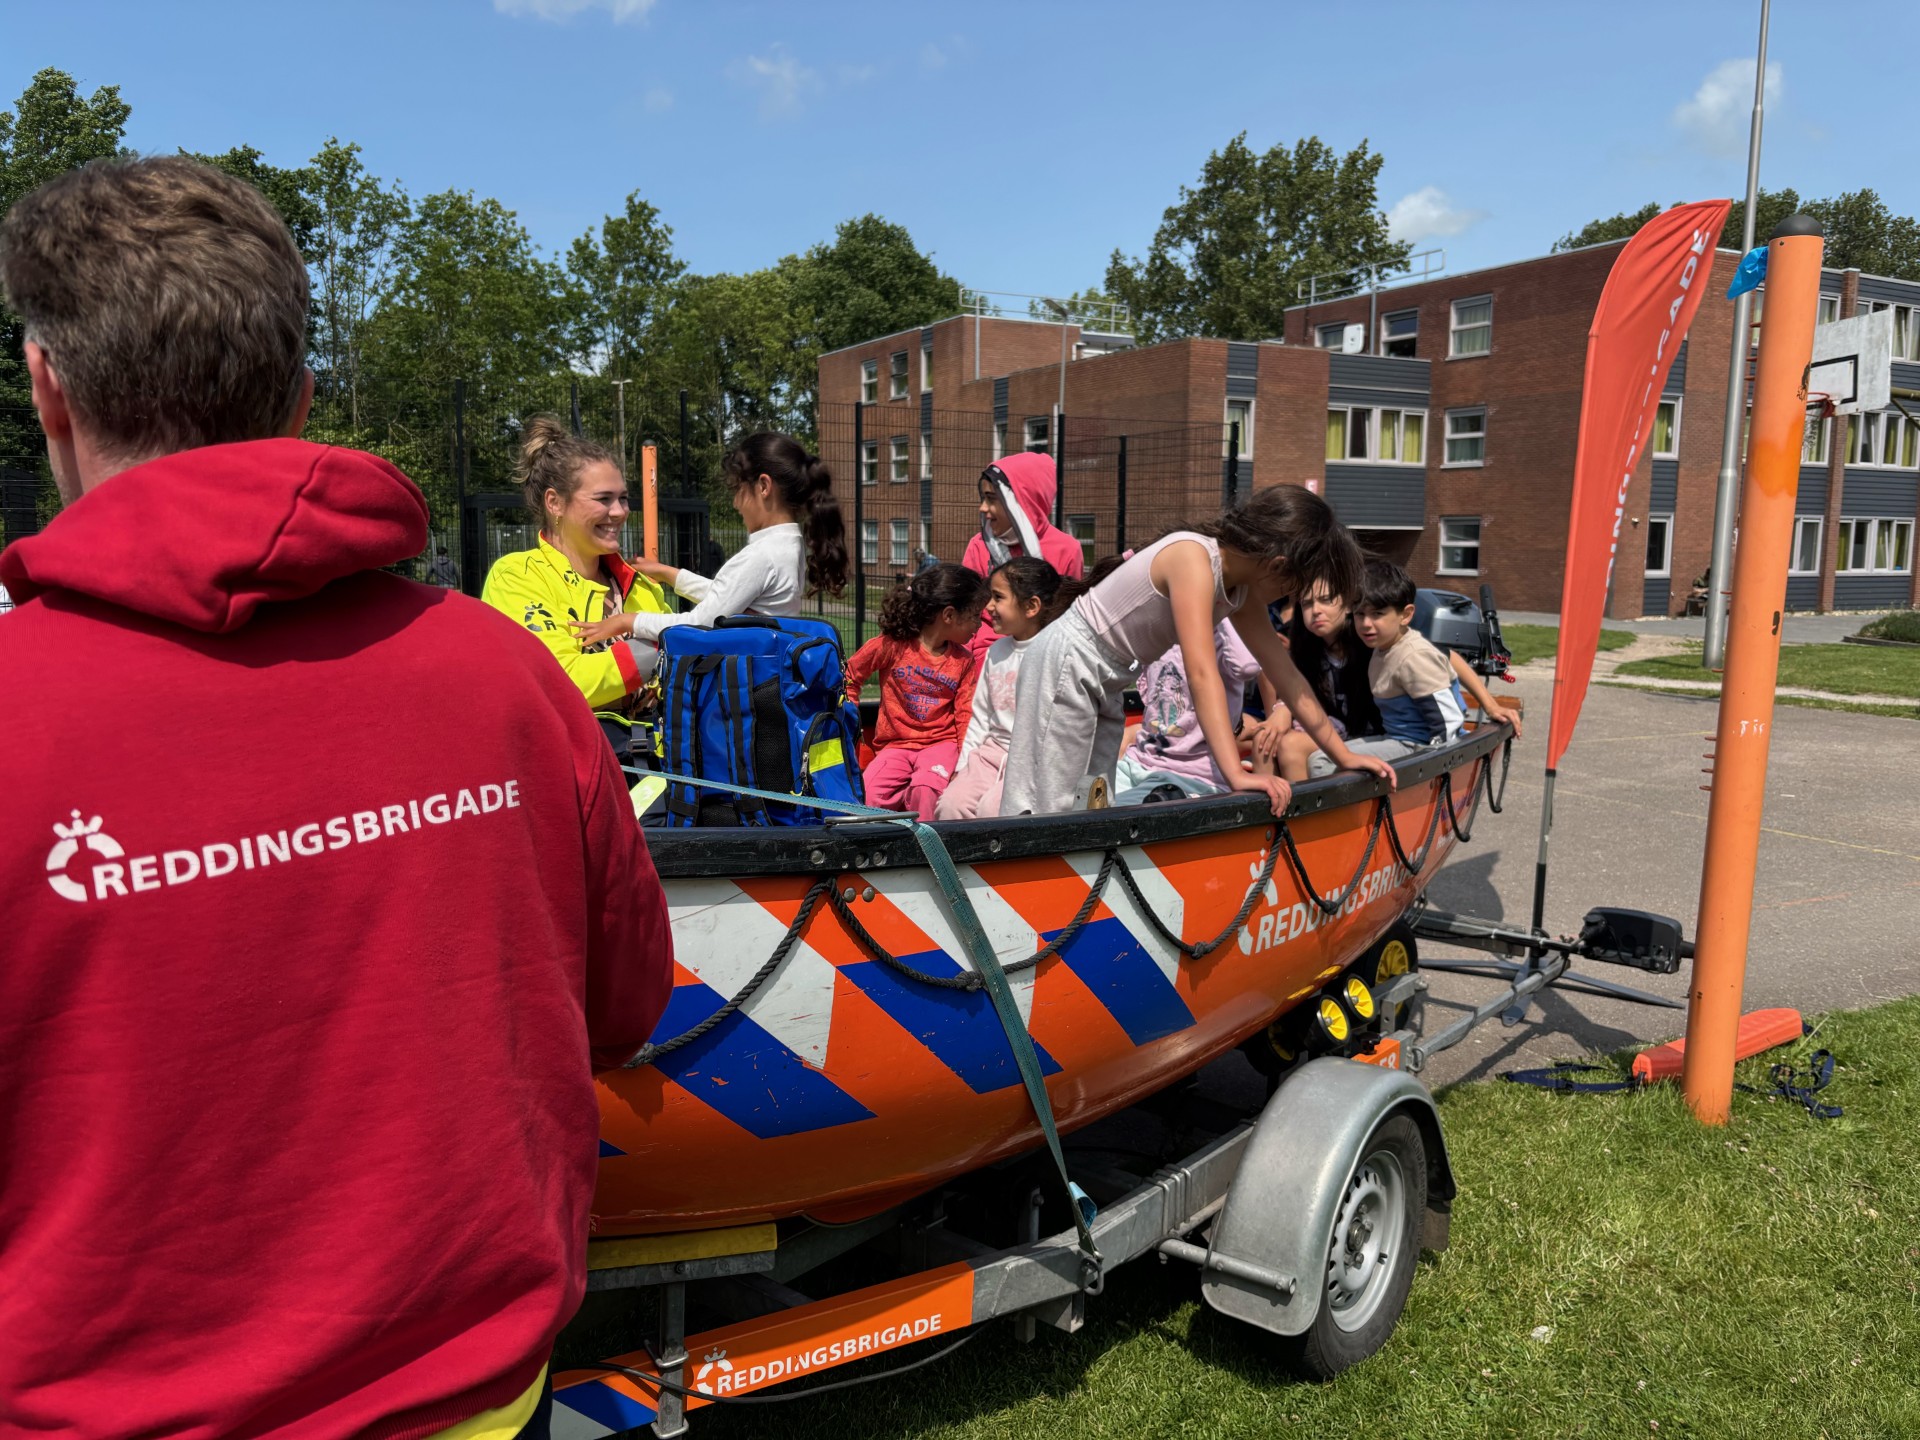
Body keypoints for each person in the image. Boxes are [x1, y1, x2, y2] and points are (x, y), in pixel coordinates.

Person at [0, 155, 673, 1439]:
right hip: (480, 1397)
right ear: (304, 397)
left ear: (48, 387)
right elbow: (624, 1005)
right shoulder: (502, 675)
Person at [999, 485, 1398, 818]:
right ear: (1278, 566)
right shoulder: (1193, 559)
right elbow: (1201, 673)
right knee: (1045, 797)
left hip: (1109, 676)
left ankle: (1078, 880)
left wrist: (1342, 755)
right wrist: (1235, 774)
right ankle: (1015, 878)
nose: (1289, 597)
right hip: (1070, 662)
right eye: (1293, 587)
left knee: (1092, 796)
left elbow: (1287, 675)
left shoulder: (1239, 591)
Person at [481, 417, 673, 765]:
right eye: (603, 499)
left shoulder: (642, 586)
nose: (620, 512)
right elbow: (559, 682)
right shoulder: (517, 576)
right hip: (569, 770)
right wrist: (658, 651)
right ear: (555, 503)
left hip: (660, 770)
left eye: (623, 498)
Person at [571, 433, 847, 667]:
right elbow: (730, 596)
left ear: (764, 486)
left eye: (737, 490)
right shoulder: (789, 545)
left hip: (745, 689)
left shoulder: (763, 555)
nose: (735, 504)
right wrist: (669, 573)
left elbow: (700, 623)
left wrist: (629, 621)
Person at [936, 556, 1079, 821]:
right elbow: (980, 715)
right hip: (990, 755)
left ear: (1031, 606)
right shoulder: (996, 651)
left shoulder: (1058, 653)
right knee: (951, 805)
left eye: (998, 598)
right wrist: (963, 766)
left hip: (1034, 760)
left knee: (992, 810)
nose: (988, 607)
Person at [845, 563, 988, 820]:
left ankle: (927, 842)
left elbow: (964, 715)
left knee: (926, 789)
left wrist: (963, 764)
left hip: (941, 745)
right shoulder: (892, 645)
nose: (979, 624)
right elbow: (850, 676)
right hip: (895, 746)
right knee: (869, 795)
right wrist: (850, 716)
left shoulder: (964, 661)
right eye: (975, 615)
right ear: (949, 615)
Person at [1112, 619, 1270, 805]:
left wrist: (1219, 609)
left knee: (1107, 812)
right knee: (1084, 801)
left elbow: (1247, 666)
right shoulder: (1162, 625)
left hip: (1192, 778)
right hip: (1137, 763)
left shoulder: (1221, 630)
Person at [1337, 559, 1468, 768]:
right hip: (1396, 738)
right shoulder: (1383, 647)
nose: (1365, 624)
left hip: (1418, 746)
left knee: (1323, 762)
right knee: (1330, 753)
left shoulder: (1414, 656)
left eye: (1377, 614)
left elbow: (1448, 722)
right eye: (1360, 614)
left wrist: (1439, 769)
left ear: (1405, 615)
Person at [959, 452, 1084, 663]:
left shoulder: (1067, 549)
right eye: (983, 498)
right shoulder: (979, 545)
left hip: (1044, 657)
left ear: (1021, 502)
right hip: (985, 658)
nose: (983, 508)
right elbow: (966, 612)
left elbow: (1068, 617)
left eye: (992, 499)